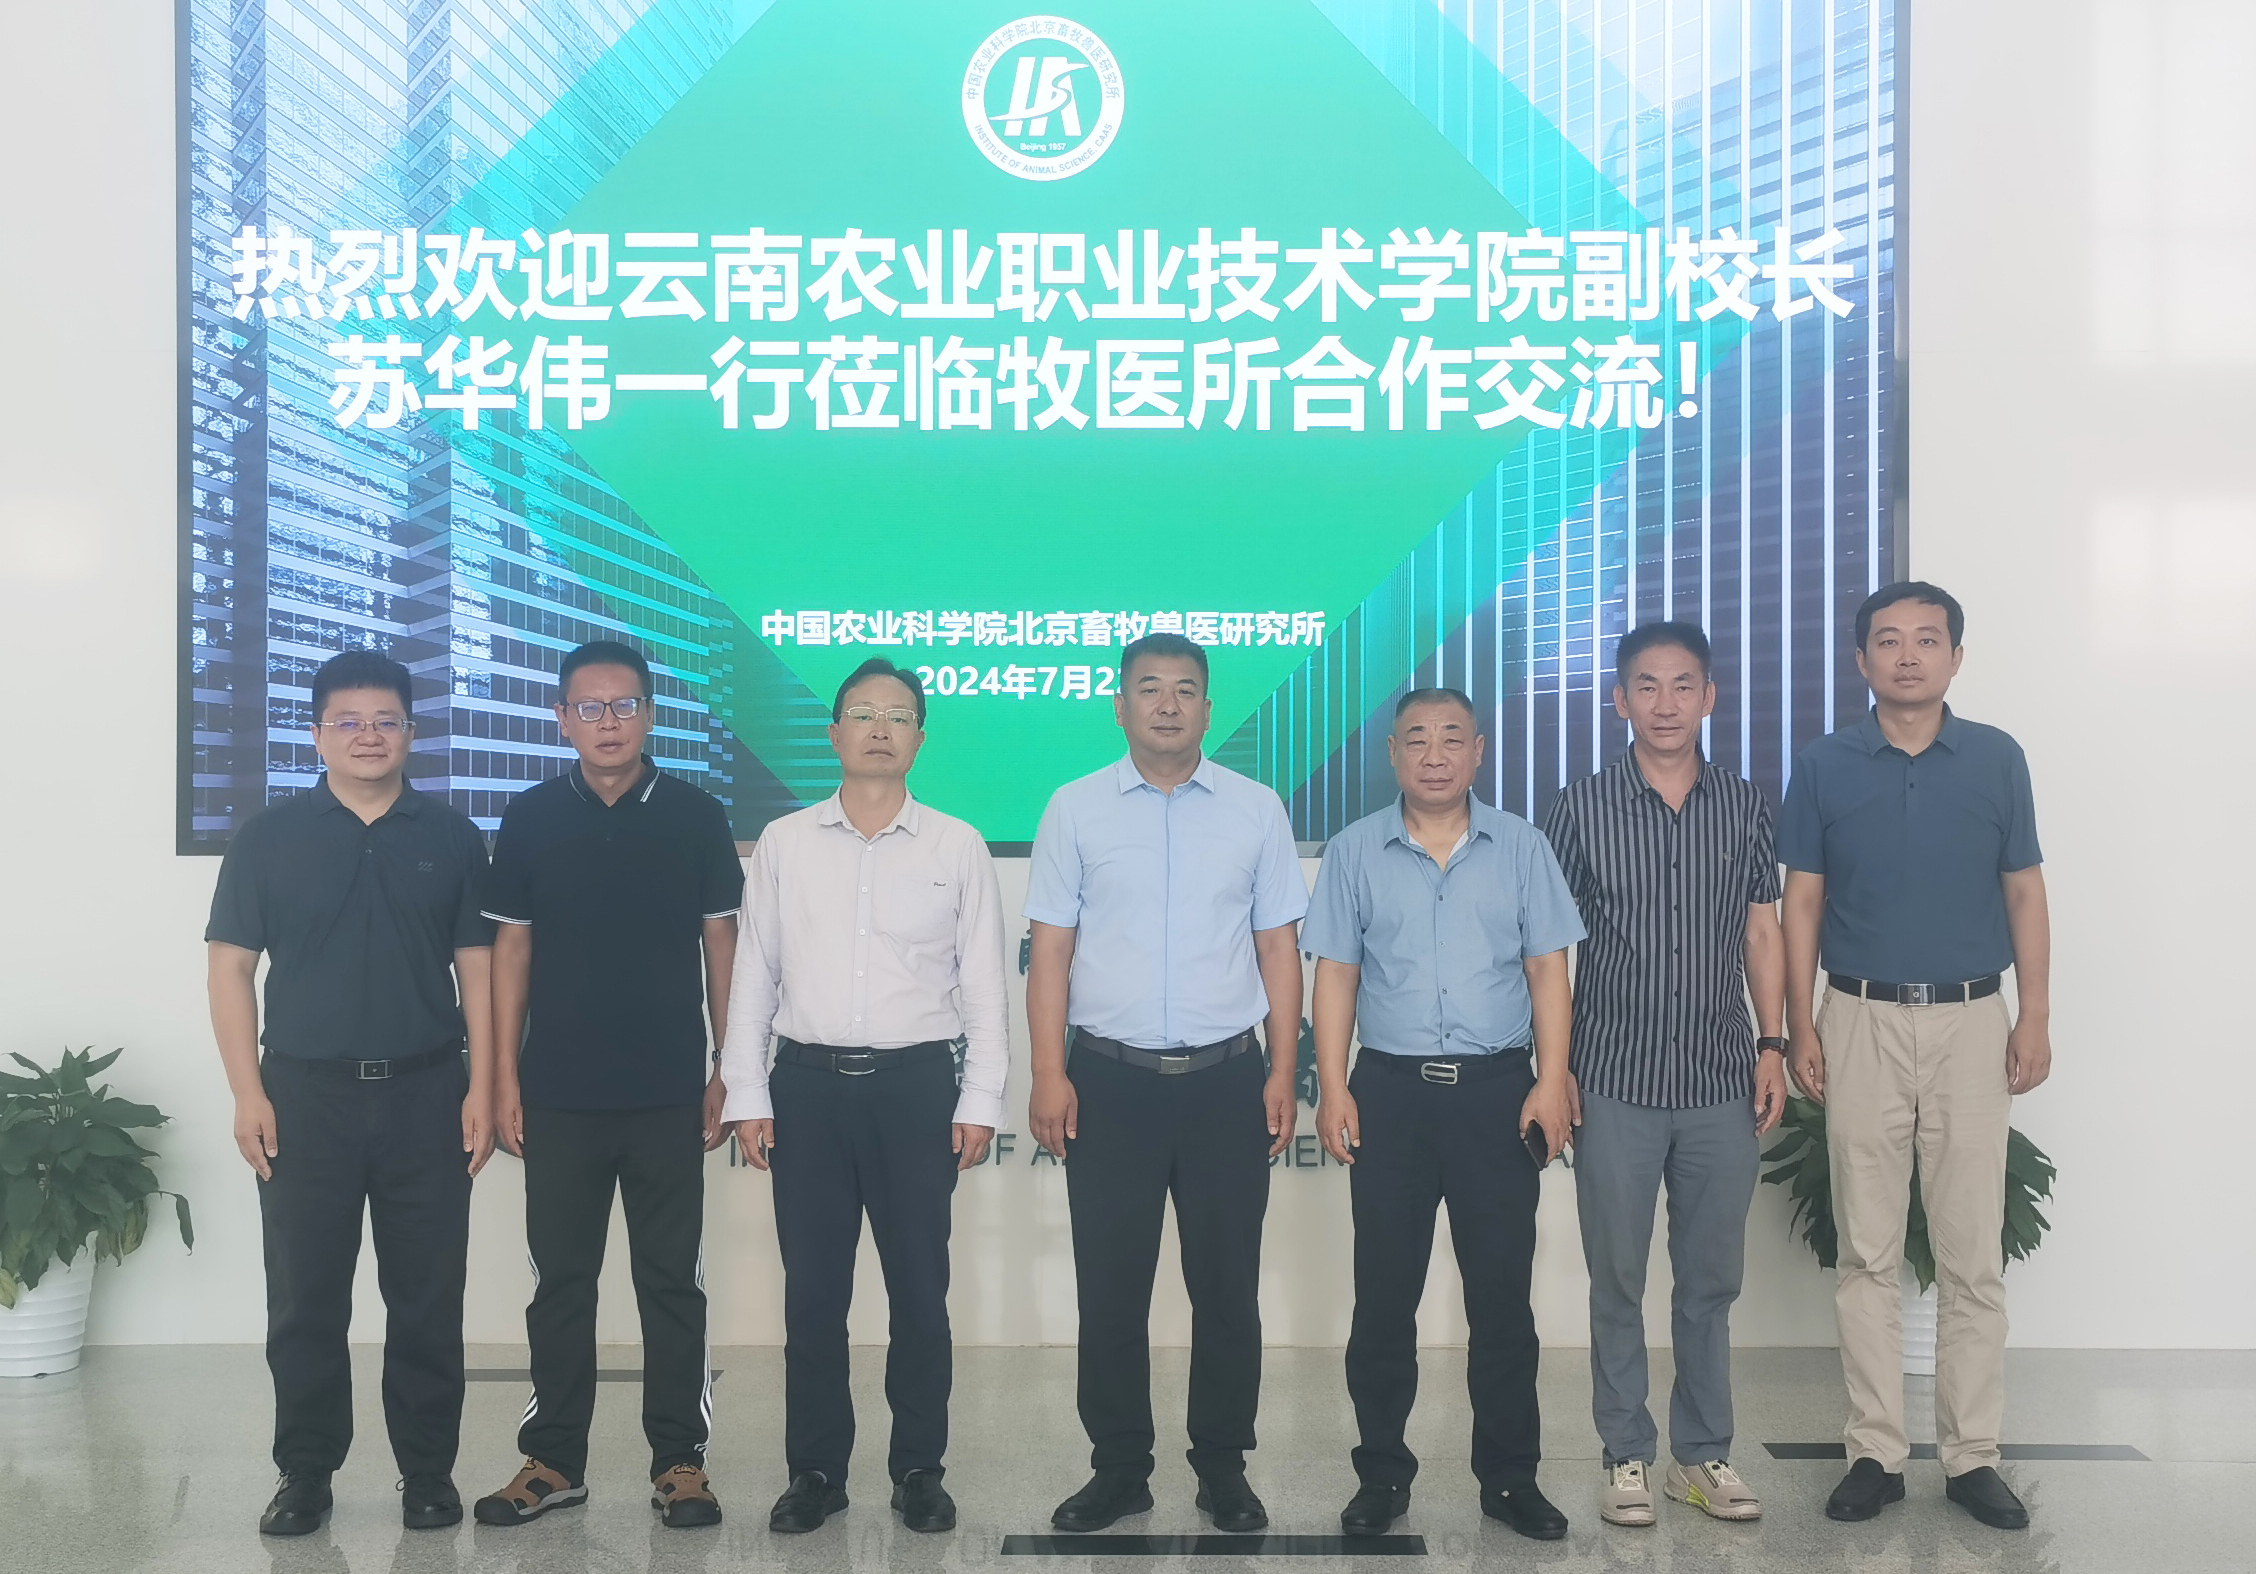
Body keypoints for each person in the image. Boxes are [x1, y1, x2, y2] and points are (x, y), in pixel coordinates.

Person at [205, 649, 496, 1537]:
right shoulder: (267, 838)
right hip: (303, 1098)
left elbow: (478, 969)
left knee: (427, 1296)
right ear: (317, 734)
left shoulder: (452, 835)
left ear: (411, 731)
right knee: (305, 1298)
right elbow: (230, 969)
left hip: (427, 1093)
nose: (369, 736)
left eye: (386, 721)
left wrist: (483, 1085)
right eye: (349, 721)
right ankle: (305, 1472)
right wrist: (247, 1093)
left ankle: (427, 1472)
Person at [1779, 583, 2050, 1532]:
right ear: (1860, 661)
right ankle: (1875, 1453)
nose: (1907, 656)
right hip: (1859, 1018)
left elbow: (2025, 891)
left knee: (1973, 1253)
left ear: (1955, 657)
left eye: (1927, 640)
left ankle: (1973, 1457)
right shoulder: (1823, 764)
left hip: (1973, 1020)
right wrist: (1800, 1024)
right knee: (1867, 1250)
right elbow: (1802, 901)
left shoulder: (1997, 759)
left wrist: (2034, 1014)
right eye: (1887, 641)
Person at [1025, 632, 1307, 1534]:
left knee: (1226, 1286)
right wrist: (1047, 1072)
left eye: (1186, 689)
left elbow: (1278, 949)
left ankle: (1223, 1465)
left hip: (1228, 1080)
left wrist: (1284, 1068)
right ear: (1121, 706)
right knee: (1111, 1285)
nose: (1169, 704)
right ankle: (1119, 1469)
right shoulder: (1074, 808)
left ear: (1208, 709)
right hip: (1109, 1082)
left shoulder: (1257, 810)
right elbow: (1050, 953)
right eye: (1150, 688)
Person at [723, 659, 1009, 1536]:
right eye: (863, 713)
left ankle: (919, 1469)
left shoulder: (956, 845)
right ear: (834, 734)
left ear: (919, 738)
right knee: (813, 1295)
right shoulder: (784, 843)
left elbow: (983, 983)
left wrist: (980, 1097)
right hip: (806, 1088)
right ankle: (815, 1471)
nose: (880, 728)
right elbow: (755, 975)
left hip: (916, 1087)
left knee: (920, 1291)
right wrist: (746, 1090)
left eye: (899, 715)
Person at [471, 640, 744, 1531]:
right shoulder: (531, 815)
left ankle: (680, 1463)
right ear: (562, 719)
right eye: (589, 708)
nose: (609, 722)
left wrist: (728, 1066)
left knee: (671, 1283)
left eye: (625, 705)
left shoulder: (697, 815)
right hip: (556, 1092)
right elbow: (511, 949)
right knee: (561, 1284)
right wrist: (503, 1075)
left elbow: (721, 944)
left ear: (650, 715)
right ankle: (553, 1461)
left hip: (669, 1091)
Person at [1307, 687, 1584, 1541]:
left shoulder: (1523, 846)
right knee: (1383, 1300)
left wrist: (1551, 1079)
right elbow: (1337, 975)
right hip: (1389, 1094)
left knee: (1502, 1301)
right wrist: (1333, 1086)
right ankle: (1381, 1475)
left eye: (1452, 738)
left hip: (1498, 1094)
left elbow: (1547, 970)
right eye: (1418, 739)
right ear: (1392, 753)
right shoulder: (1354, 850)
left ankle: (1510, 1479)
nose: (1435, 755)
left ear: (1479, 750)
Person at [1540, 624, 1786, 1529]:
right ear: (1619, 700)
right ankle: (1625, 1454)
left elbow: (1761, 929)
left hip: (1721, 1076)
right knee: (1617, 1278)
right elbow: (1549, 950)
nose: (1666, 703)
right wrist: (1554, 1071)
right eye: (1646, 685)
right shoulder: (1578, 807)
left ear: (1710, 697)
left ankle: (1703, 1453)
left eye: (1684, 685)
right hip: (1613, 1078)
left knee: (1710, 1282)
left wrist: (1773, 1044)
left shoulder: (1746, 804)